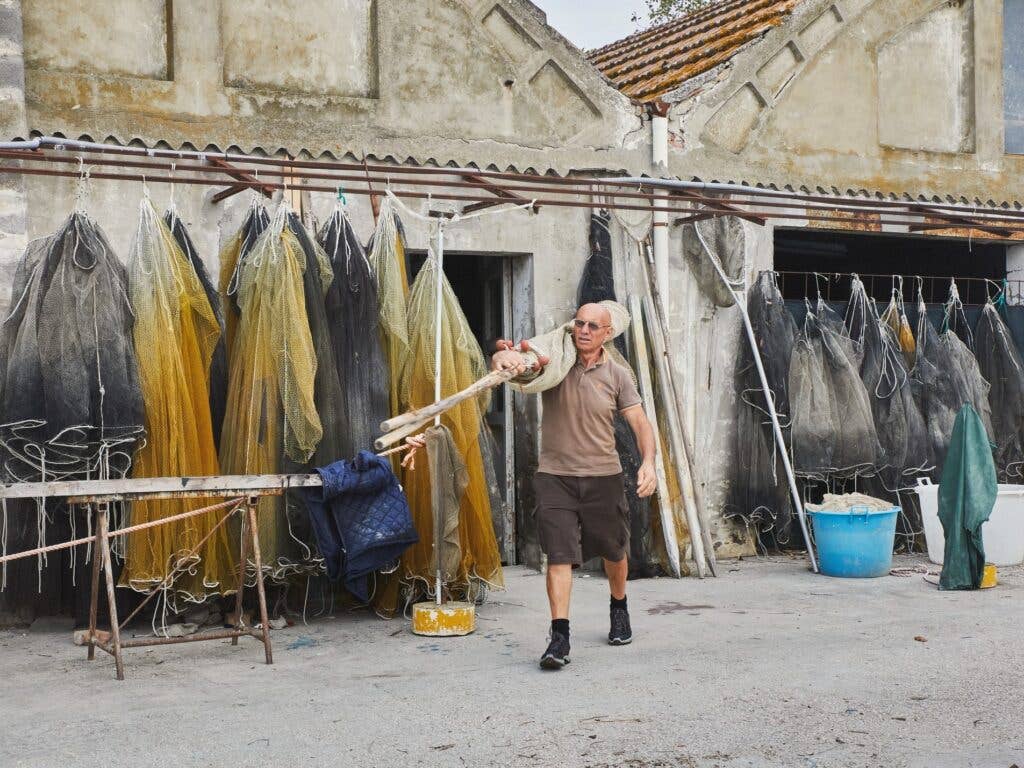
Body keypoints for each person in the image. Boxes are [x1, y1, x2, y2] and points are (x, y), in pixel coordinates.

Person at [491, 303, 656, 670]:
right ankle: (559, 636)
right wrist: (501, 356)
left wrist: (649, 462)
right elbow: (517, 362)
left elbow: (640, 422)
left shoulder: (617, 374)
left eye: (593, 326)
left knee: (614, 551)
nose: (583, 330)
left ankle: (619, 606)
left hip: (604, 476)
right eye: (579, 323)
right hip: (555, 477)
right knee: (559, 555)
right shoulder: (555, 361)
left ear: (607, 334)